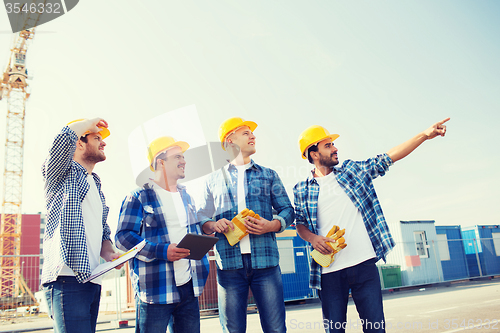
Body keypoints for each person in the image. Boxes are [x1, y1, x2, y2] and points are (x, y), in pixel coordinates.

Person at [293, 118, 450, 333]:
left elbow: (388, 157)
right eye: (328, 145)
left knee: (375, 328)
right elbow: (300, 224)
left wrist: (424, 135)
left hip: (364, 265)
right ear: (314, 153)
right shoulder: (301, 189)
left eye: (333, 143)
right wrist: (313, 238)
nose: (335, 148)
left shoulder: (352, 171)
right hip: (329, 273)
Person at [197, 117, 295, 333]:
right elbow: (201, 218)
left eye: (252, 133)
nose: (253, 136)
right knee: (233, 330)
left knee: (276, 329)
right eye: (246, 133)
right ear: (230, 141)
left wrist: (271, 225)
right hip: (229, 267)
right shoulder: (212, 180)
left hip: (266, 265)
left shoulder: (268, 175)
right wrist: (214, 224)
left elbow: (288, 210)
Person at [115, 136, 210, 333]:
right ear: (160, 162)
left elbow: (193, 233)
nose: (183, 161)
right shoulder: (138, 196)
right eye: (177, 157)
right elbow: (123, 237)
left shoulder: (187, 197)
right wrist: (161, 251)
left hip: (189, 288)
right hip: (155, 290)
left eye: (183, 157)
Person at [41, 118, 121, 333]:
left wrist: (109, 252)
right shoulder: (61, 176)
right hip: (67, 278)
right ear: (78, 143)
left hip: (92, 277)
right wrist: (91, 122)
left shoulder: (95, 183)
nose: (103, 143)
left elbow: (102, 227)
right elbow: (61, 142)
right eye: (97, 138)